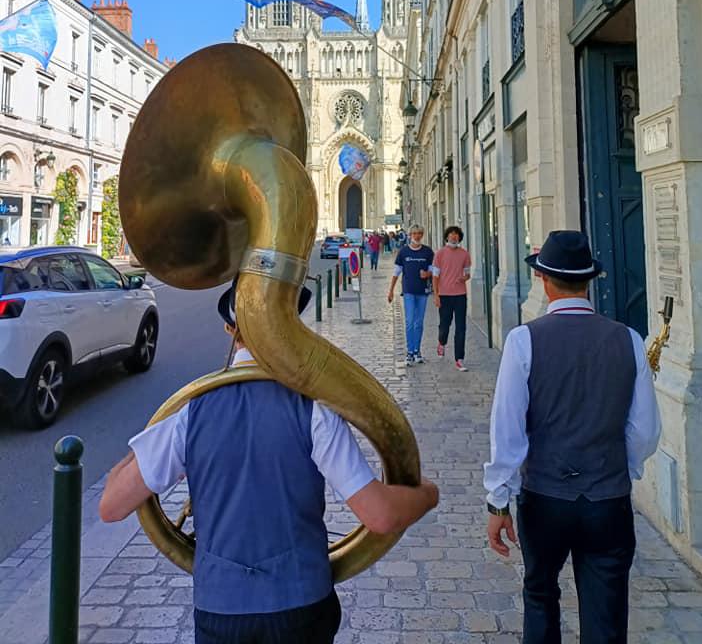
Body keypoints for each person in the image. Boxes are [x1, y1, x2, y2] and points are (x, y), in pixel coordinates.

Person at [100, 277, 439, 644]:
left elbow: (112, 506)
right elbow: (380, 516)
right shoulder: (314, 411)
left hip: (221, 608)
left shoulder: (189, 414)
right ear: (293, 327)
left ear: (230, 330)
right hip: (301, 605)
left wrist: (144, 446)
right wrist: (427, 495)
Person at [483, 230, 661, 644]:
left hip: (544, 497)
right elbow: (645, 430)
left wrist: (498, 499)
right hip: (608, 499)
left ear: (544, 281)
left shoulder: (523, 340)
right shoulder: (629, 339)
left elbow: (507, 429)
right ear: (589, 281)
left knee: (540, 597)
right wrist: (619, 469)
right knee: (606, 614)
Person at [387, 224, 433, 366]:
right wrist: (391, 291)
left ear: (422, 235)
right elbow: (396, 272)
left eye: (419, 233)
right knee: (409, 321)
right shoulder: (404, 252)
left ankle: (417, 351)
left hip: (423, 292)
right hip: (408, 291)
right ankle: (409, 351)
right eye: (414, 233)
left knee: (419, 323)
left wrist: (427, 274)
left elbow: (434, 271)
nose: (417, 236)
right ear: (410, 235)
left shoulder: (428, 252)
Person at [431, 225, 472, 371]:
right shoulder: (440, 254)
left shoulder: (465, 254)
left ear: (459, 237)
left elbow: (467, 274)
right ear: (447, 236)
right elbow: (435, 276)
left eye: (456, 234)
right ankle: (441, 342)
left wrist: (464, 278)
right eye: (451, 234)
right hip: (444, 295)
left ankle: (459, 359)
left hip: (460, 295)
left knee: (461, 327)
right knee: (445, 325)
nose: (454, 236)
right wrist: (436, 295)